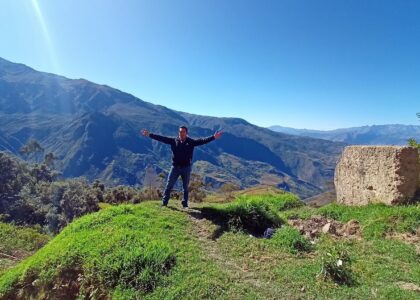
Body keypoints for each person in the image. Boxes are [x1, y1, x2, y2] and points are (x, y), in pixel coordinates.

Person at [140, 125, 223, 208]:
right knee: (169, 185)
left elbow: (202, 141)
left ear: (186, 133)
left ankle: (185, 204)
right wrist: (149, 135)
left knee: (185, 187)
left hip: (186, 168)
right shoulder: (173, 141)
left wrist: (213, 137)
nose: (181, 133)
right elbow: (161, 138)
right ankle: (164, 203)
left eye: (183, 132)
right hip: (175, 167)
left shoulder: (191, 142)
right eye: (180, 132)